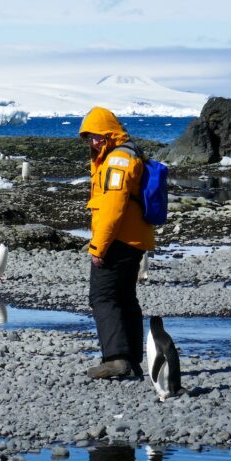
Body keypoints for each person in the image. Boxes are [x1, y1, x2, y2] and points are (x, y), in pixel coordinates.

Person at [79, 107, 156, 379]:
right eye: (89, 138)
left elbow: (113, 206)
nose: (93, 142)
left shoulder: (118, 160)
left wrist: (99, 246)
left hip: (119, 239)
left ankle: (116, 359)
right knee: (125, 298)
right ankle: (132, 361)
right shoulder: (124, 153)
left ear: (109, 133)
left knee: (103, 297)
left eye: (97, 136)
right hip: (134, 238)